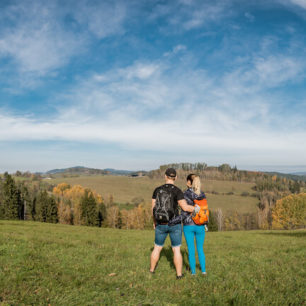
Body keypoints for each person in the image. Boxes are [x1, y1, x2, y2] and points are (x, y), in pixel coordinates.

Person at [149, 168, 200, 279]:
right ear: (175, 178)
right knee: (176, 250)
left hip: (160, 223)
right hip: (174, 224)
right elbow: (185, 207)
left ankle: (151, 271)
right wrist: (196, 209)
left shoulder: (157, 190)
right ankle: (179, 275)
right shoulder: (177, 191)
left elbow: (153, 208)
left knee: (157, 248)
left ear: (165, 176)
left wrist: (154, 222)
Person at [182, 174, 207, 275]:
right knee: (200, 249)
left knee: (191, 249)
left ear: (189, 182)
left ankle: (193, 272)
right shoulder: (202, 194)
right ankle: (203, 271)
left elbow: (184, 210)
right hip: (200, 224)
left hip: (188, 225)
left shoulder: (185, 194)